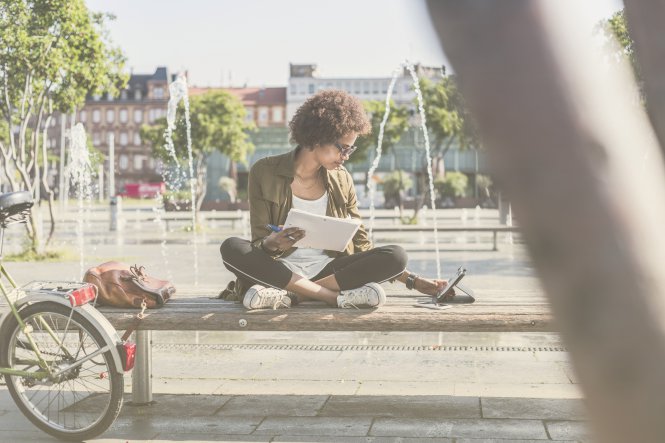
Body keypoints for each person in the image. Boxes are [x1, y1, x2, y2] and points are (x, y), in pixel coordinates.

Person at [220, 89, 451, 310]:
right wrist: (273, 244)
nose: (346, 157)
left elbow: (362, 244)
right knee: (231, 248)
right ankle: (330, 298)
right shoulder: (265, 171)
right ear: (319, 137)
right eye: (343, 149)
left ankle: (294, 295)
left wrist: (414, 281)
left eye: (350, 150)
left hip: (328, 273)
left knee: (396, 256)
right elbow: (260, 240)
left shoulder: (342, 179)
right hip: (278, 269)